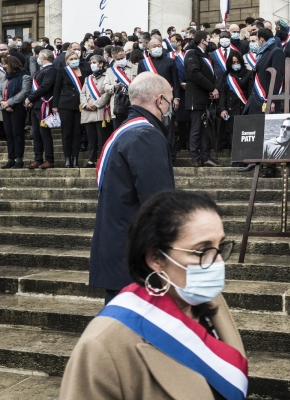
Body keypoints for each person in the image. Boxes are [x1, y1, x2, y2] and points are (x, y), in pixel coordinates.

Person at [60, 190, 247, 400]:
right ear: (156, 258)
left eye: (219, 247)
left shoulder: (211, 301)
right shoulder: (101, 346)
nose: (218, 263)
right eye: (202, 251)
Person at [89, 72, 175, 305]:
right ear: (160, 101)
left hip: (119, 252)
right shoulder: (146, 135)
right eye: (170, 101)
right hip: (136, 260)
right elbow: (158, 203)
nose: (170, 108)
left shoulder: (125, 131)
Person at [242, 28, 285, 178]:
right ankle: (256, 161)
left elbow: (278, 78)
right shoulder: (264, 52)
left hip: (268, 98)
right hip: (258, 98)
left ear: (261, 39)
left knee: (271, 132)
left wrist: (272, 99)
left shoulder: (276, 51)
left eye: (255, 40)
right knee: (259, 130)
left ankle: (270, 167)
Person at [138, 38, 180, 161]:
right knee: (153, 127)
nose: (157, 48)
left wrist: (176, 98)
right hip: (149, 101)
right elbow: (139, 83)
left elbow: (175, 81)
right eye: (154, 46)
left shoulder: (170, 62)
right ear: (149, 49)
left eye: (159, 45)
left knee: (169, 127)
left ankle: (171, 155)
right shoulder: (143, 63)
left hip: (166, 99)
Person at [185, 31, 221, 168]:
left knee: (205, 129)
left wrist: (213, 88)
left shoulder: (206, 56)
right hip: (195, 97)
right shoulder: (192, 53)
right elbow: (194, 73)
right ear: (202, 41)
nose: (211, 40)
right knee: (196, 128)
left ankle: (206, 157)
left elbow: (212, 75)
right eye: (208, 38)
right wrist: (212, 88)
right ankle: (195, 157)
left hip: (205, 97)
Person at [52, 50, 92, 168]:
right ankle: (67, 158)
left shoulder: (85, 71)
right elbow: (57, 88)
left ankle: (75, 158)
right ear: (67, 61)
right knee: (67, 132)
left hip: (80, 105)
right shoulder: (62, 71)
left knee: (77, 132)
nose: (74, 61)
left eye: (75, 58)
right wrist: (55, 105)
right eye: (71, 59)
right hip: (65, 105)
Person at [219, 51, 253, 166]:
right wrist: (222, 108)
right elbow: (222, 93)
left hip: (244, 108)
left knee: (244, 135)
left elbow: (250, 93)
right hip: (230, 109)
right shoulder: (226, 75)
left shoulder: (248, 74)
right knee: (233, 135)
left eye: (237, 62)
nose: (235, 64)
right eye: (233, 62)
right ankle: (236, 159)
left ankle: (245, 159)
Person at [24, 49, 56, 169]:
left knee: (44, 133)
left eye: (38, 56)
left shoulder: (51, 70)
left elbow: (45, 86)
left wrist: (31, 98)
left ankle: (49, 159)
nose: (37, 58)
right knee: (36, 134)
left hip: (44, 105)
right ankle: (38, 159)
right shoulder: (40, 71)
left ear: (43, 57)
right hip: (35, 106)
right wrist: (31, 100)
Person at [80, 55, 111, 168]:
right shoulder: (88, 79)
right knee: (91, 138)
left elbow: (107, 93)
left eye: (94, 62)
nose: (92, 64)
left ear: (101, 64)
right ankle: (91, 160)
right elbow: (82, 93)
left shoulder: (107, 76)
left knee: (102, 137)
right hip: (88, 111)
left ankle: (103, 158)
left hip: (101, 110)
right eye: (91, 62)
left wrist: (97, 104)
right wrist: (85, 104)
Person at [0, 56, 31, 169]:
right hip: (5, 109)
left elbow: (24, 92)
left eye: (5, 64)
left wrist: (9, 102)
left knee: (17, 133)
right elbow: (0, 91)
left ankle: (19, 159)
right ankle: (10, 158)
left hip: (17, 109)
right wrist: (3, 103)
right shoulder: (5, 78)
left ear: (12, 64)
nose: (4, 66)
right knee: (9, 134)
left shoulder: (25, 77)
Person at [103, 46, 138, 130]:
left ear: (125, 54)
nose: (120, 61)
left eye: (122, 58)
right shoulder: (110, 71)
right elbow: (105, 87)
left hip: (132, 103)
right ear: (113, 58)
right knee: (119, 131)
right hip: (117, 105)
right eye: (117, 59)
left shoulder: (135, 68)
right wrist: (114, 87)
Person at [169, 34, 190, 153]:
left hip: (189, 88)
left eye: (173, 41)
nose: (171, 43)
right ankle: (181, 140)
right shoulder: (169, 56)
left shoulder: (186, 54)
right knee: (180, 117)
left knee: (189, 117)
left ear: (179, 42)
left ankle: (188, 141)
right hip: (177, 89)